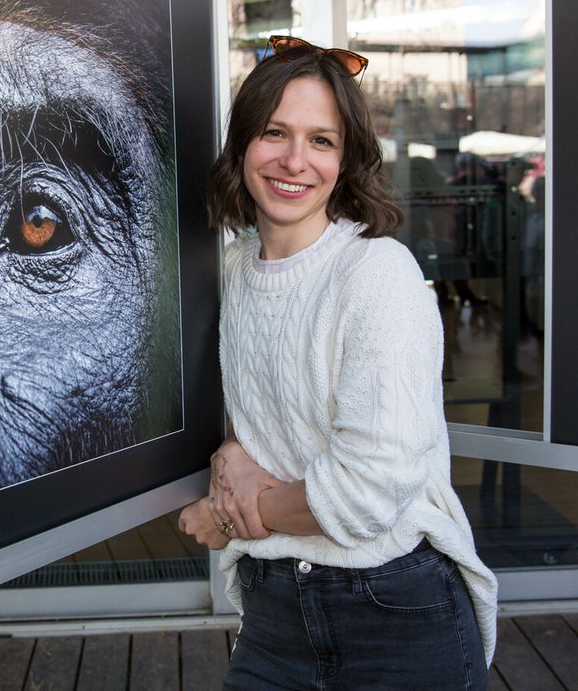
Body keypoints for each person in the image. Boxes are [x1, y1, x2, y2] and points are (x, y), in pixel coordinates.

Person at [178, 35, 497, 690]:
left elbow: (369, 492)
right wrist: (230, 455)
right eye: (275, 132)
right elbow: (267, 401)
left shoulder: (375, 273)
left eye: (321, 140)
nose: (295, 160)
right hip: (273, 608)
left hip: (395, 613)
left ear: (346, 158)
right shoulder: (235, 268)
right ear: (242, 145)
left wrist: (247, 512)